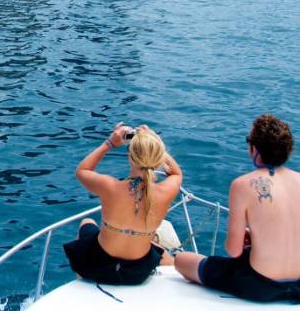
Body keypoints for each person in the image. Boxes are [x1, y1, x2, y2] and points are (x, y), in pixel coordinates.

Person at [175, 114, 300, 303]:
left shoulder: (242, 185)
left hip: (259, 285)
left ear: (254, 148)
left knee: (182, 260)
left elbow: (233, 251)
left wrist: (248, 238)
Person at [63, 122, 183, 285]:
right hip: (137, 273)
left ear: (130, 157)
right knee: (156, 248)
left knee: (87, 222)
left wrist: (110, 143)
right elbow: (176, 173)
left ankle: (80, 277)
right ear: (158, 156)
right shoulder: (165, 192)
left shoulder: (110, 187)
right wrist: (153, 141)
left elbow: (82, 171)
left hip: (97, 267)